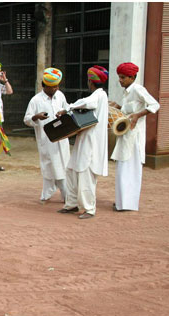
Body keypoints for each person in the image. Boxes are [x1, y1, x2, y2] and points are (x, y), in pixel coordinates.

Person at [57, 66, 109, 219]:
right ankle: (72, 204)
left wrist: (68, 108)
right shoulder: (98, 95)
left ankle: (89, 209)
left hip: (92, 141)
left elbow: (88, 103)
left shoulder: (99, 95)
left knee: (86, 174)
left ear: (90, 82)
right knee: (71, 169)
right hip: (84, 138)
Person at [110, 62, 160, 212]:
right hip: (125, 134)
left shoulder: (138, 89)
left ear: (132, 77)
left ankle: (128, 204)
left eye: (123, 77)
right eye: (119, 77)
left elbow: (154, 105)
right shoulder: (127, 92)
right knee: (122, 169)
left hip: (134, 136)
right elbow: (129, 110)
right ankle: (121, 202)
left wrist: (138, 115)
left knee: (130, 169)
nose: (120, 80)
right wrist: (118, 107)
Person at [23, 67, 70, 202]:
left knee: (64, 165)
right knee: (52, 166)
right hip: (47, 139)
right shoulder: (36, 100)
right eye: (52, 87)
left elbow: (66, 107)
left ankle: (58, 195)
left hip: (62, 138)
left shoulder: (60, 96)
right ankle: (61, 194)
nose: (55, 89)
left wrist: (64, 112)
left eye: (56, 86)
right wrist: (36, 117)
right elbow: (26, 119)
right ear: (44, 86)